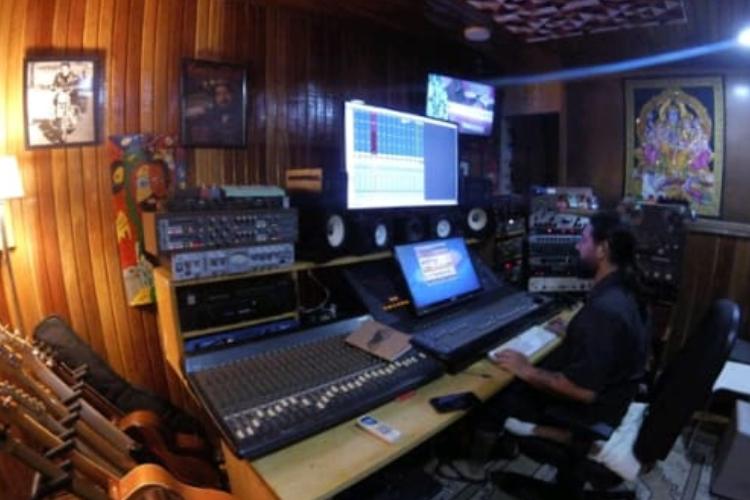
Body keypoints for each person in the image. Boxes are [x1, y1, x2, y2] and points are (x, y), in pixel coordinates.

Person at [473, 211, 650, 459]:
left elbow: (583, 391)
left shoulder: (605, 311)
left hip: (591, 412)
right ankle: (512, 442)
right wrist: (574, 332)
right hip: (613, 399)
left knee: (495, 394)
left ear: (603, 249)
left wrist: (526, 369)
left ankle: (474, 467)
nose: (577, 247)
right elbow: (609, 347)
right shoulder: (625, 290)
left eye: (584, 240)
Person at [186, 81, 243, 145]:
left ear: (232, 94)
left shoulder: (240, 112)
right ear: (215, 98)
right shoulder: (210, 112)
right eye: (218, 94)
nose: (223, 97)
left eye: (226, 92)